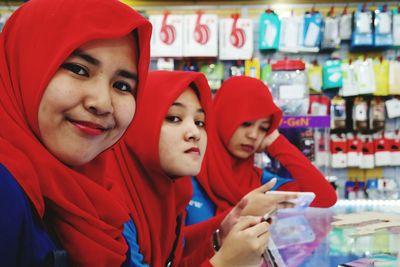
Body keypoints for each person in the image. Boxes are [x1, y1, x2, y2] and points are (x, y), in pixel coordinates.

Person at [0, 0, 152, 266]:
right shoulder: (6, 191)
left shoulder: (97, 193)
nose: (102, 103)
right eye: (78, 70)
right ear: (23, 65)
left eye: (122, 86)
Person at [107, 71, 273, 267]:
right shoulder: (108, 206)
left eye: (200, 122)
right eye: (174, 118)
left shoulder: (174, 194)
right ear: (138, 122)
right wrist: (225, 263)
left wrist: (219, 236)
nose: (195, 133)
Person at [186, 76, 337, 225]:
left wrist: (277, 143)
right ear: (223, 117)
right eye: (246, 123)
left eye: (263, 128)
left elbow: (325, 198)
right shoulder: (186, 176)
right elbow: (176, 246)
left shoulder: (262, 183)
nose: (253, 135)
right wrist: (242, 213)